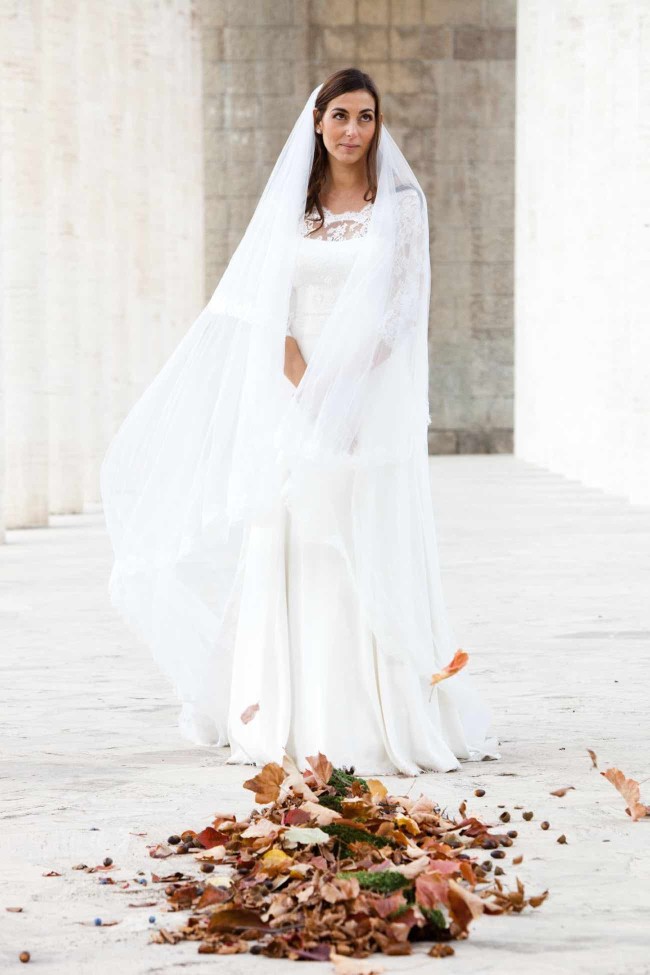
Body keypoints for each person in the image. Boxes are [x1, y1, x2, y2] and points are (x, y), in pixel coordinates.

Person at [100, 67, 501, 776]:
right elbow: (271, 314)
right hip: (298, 394)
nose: (353, 130)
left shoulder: (400, 206)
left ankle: (377, 714)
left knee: (362, 533)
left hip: (370, 395)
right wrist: (308, 389)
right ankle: (294, 710)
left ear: (379, 126)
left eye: (366, 117)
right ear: (317, 122)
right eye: (340, 115)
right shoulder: (294, 208)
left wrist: (342, 390)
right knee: (298, 538)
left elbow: (403, 313)